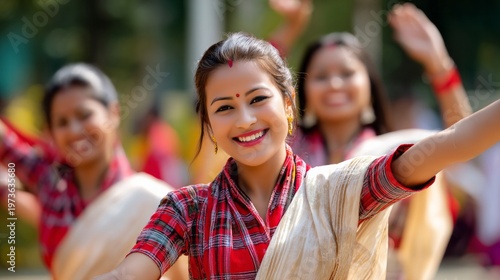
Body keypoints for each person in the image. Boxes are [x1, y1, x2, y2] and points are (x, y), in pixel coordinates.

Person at [95, 32, 500, 280]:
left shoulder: (340, 191)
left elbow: (447, 144)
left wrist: (440, 66)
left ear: (288, 105)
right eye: (224, 108)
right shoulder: (187, 209)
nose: (245, 119)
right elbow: (132, 271)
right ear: (209, 124)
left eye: (258, 99)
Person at [291, 4, 471, 279]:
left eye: (347, 73)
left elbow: (462, 142)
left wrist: (438, 64)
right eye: (321, 76)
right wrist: (287, 31)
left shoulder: (393, 154)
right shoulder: (287, 155)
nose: (335, 84)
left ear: (370, 86)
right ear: (305, 91)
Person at [0, 64, 188, 280]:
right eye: (62, 122)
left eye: (84, 115)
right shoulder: (50, 184)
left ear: (113, 113)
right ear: (51, 132)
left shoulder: (151, 201)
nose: (74, 130)